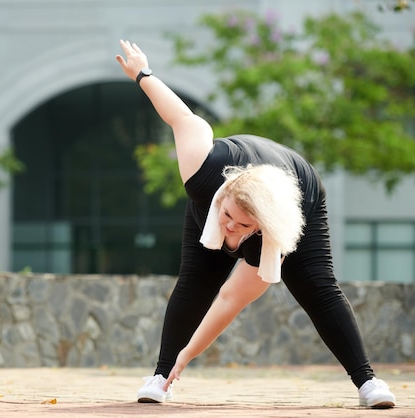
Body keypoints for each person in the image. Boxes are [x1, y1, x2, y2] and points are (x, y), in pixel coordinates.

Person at [115, 39, 397, 409]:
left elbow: (231, 299)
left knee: (317, 287)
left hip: (299, 191)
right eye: (227, 216)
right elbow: (183, 117)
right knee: (195, 280)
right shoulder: (203, 172)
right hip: (237, 186)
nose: (229, 227)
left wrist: (190, 356)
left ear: (260, 229)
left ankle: (368, 382)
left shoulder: (276, 232)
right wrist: (143, 73)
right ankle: (160, 376)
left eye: (240, 225)